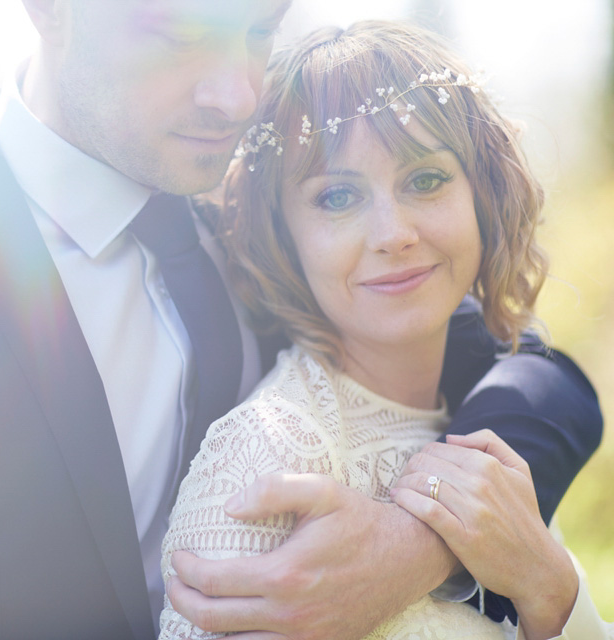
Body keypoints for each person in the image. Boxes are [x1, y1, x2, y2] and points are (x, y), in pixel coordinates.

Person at [0, 1, 601, 638]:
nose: (235, 95)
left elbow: (536, 376)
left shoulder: (264, 225)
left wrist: (418, 540)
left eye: (258, 32)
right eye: (175, 35)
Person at [159, 20, 611, 639]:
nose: (393, 232)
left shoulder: (486, 436)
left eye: (425, 180)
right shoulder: (265, 460)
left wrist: (548, 584)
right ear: (283, 237)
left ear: (482, 195)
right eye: (337, 198)